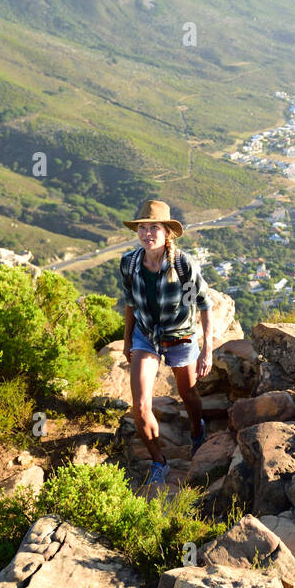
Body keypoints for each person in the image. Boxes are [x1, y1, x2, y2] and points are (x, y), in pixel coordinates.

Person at [117, 199, 214, 488]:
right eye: (142, 227)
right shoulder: (130, 263)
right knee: (140, 405)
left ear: (167, 232)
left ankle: (197, 430)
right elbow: (131, 303)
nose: (147, 233)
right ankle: (159, 461)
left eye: (154, 227)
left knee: (188, 394)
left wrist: (207, 349)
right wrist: (127, 341)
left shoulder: (183, 265)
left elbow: (205, 304)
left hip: (179, 336)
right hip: (145, 335)